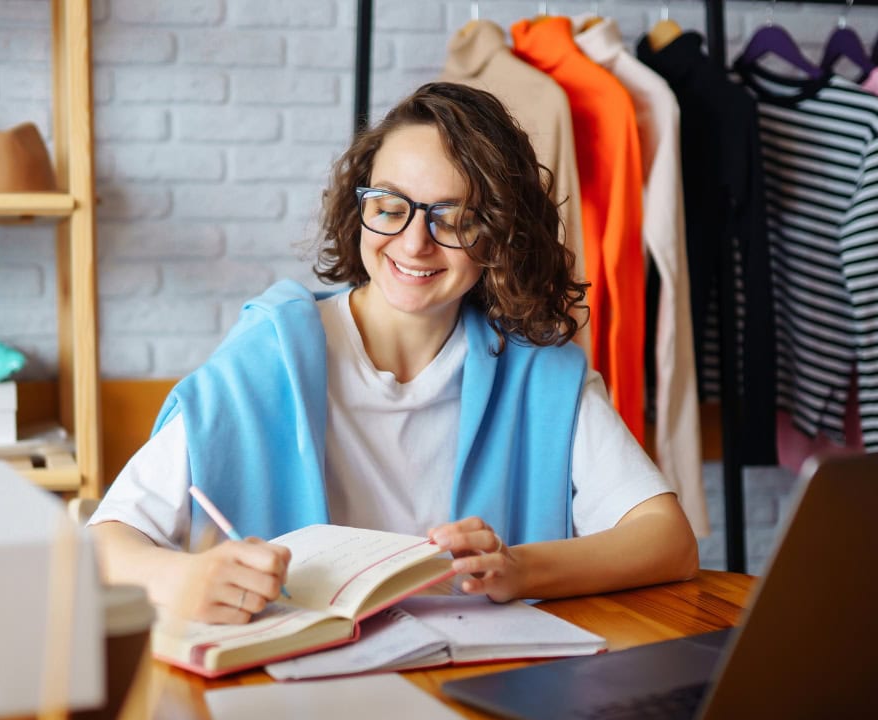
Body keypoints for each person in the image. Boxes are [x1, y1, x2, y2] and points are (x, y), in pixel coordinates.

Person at [88, 82, 698, 625]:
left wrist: (522, 569)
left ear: (500, 233)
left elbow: (668, 541)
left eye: (454, 219)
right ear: (360, 209)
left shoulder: (542, 375)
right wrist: (182, 577)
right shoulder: (265, 358)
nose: (413, 243)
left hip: (483, 696)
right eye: (389, 207)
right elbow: (104, 542)